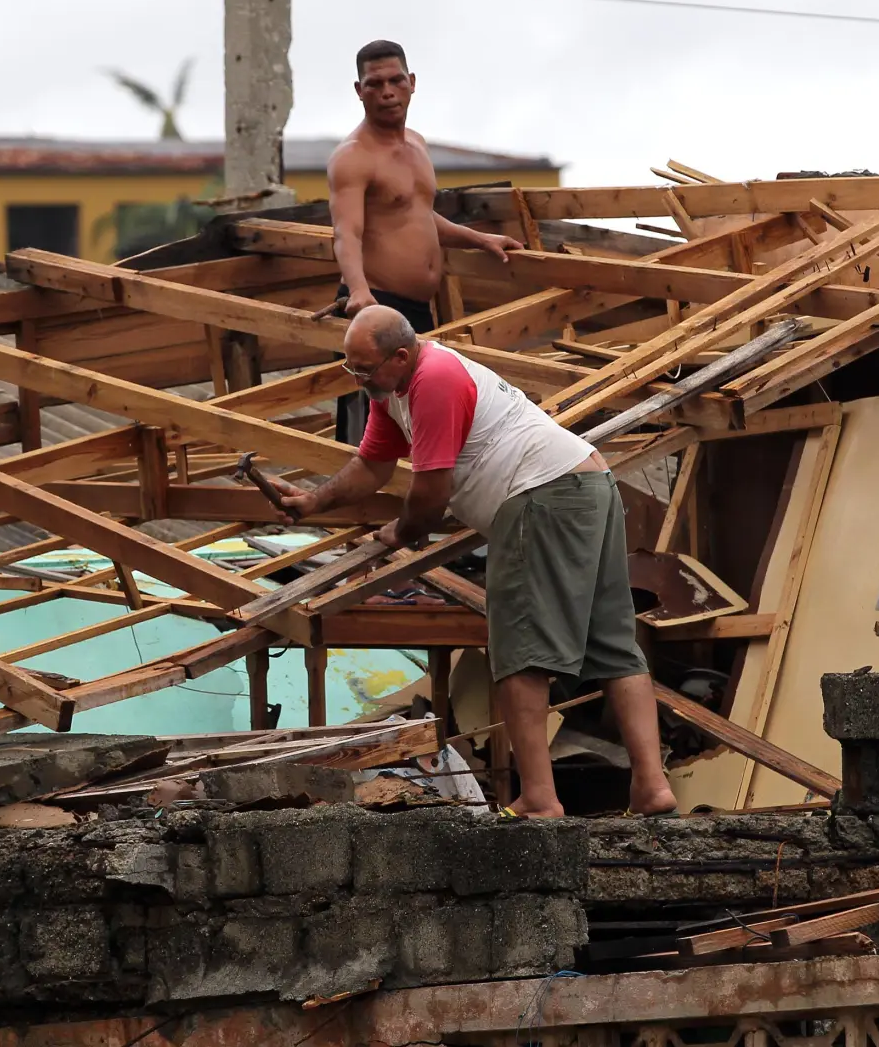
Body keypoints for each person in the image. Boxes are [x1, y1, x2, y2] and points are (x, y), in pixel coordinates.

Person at [269, 305, 681, 819]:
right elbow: (371, 465)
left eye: (365, 368)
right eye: (351, 367)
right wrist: (313, 502)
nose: (359, 379)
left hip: (541, 495)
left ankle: (539, 798)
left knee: (520, 652)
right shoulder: (392, 390)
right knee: (612, 644)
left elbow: (430, 493)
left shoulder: (434, 380)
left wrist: (401, 531)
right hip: (586, 486)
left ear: (401, 355)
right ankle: (651, 788)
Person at [325, 39, 520, 442]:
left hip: (418, 309)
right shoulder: (352, 156)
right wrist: (359, 291)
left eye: (396, 80)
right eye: (375, 83)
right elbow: (347, 231)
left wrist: (479, 239)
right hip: (377, 305)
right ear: (359, 91)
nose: (387, 92)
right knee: (374, 429)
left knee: (423, 416)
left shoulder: (417, 144)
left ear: (412, 82)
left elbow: (417, 214)